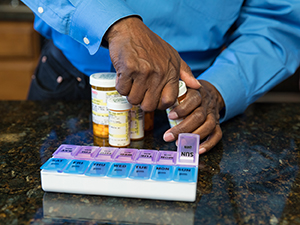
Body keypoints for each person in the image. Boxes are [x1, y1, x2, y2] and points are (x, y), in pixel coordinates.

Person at [21, 0, 300, 154]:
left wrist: (219, 89)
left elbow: (276, 21)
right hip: (72, 82)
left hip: (191, 103)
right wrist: (116, 23)